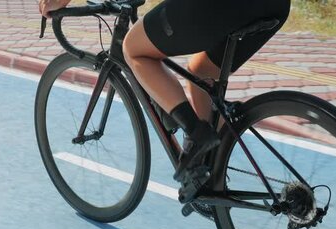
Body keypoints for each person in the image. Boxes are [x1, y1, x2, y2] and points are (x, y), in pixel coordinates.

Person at [39, 0, 291, 183]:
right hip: (274, 5)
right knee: (201, 71)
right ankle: (212, 170)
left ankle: (198, 134)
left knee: (133, 49)